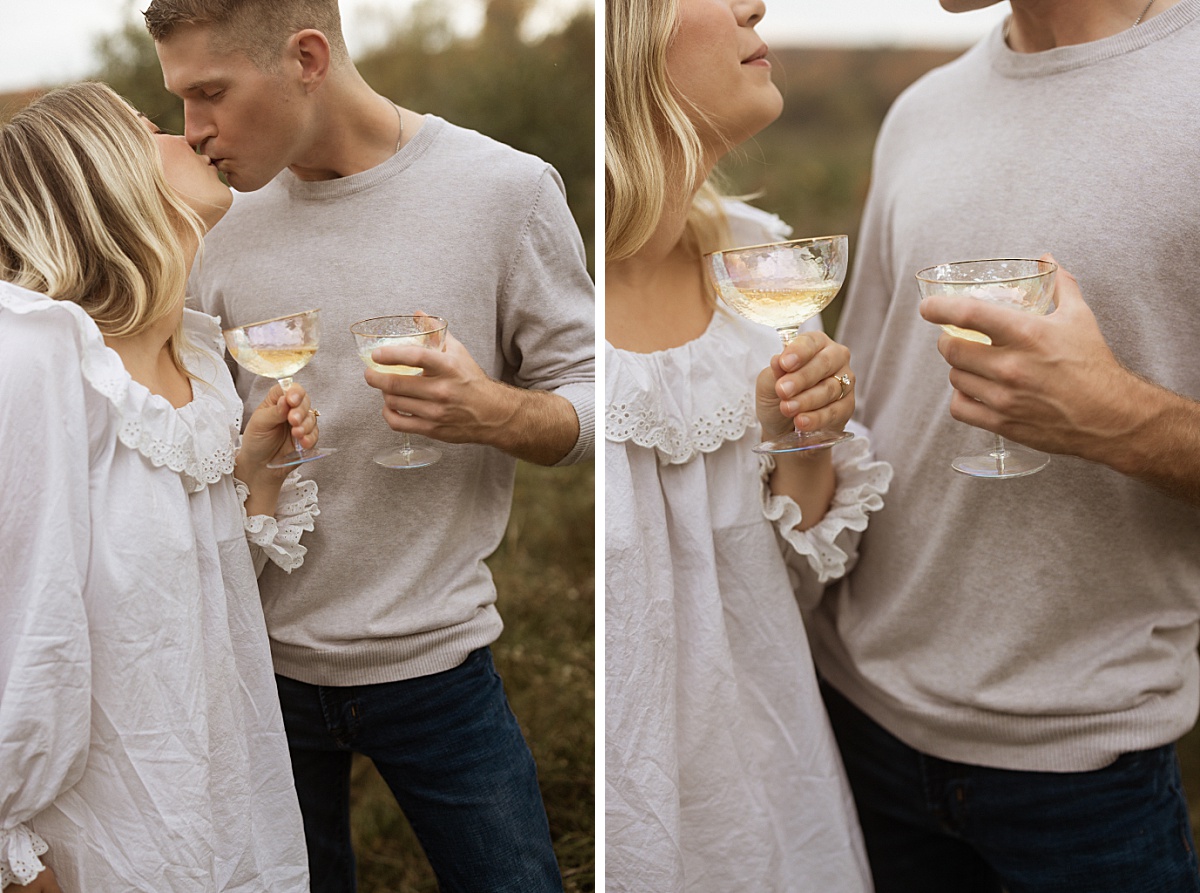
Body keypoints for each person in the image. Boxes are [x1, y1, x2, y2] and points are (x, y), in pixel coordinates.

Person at [142, 1, 595, 890]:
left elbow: (592, 388)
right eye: (181, 101)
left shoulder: (506, 190)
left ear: (306, 56)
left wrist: (491, 412)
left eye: (211, 94)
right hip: (253, 670)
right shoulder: (207, 215)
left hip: (439, 668)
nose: (193, 134)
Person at [809, 0, 1200, 890]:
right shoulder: (921, 111)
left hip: (1085, 774)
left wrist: (1121, 416)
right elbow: (862, 407)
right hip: (856, 719)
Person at [0, 81, 321, 892]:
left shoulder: (203, 362)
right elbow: (23, 630)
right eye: (150, 130)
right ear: (103, 177)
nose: (188, 135)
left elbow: (190, 610)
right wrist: (12, 852)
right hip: (103, 844)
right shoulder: (39, 361)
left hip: (222, 810)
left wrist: (250, 469)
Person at [604, 0, 892, 890]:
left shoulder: (765, 262)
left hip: (768, 772)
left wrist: (804, 441)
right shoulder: (562, 295)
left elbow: (792, 579)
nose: (753, 5)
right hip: (631, 796)